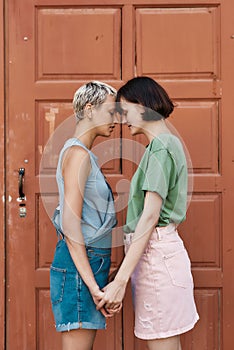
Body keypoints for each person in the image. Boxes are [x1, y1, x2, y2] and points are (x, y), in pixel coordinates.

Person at [97, 77, 199, 350]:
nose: (121, 119)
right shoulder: (166, 144)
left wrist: (119, 282)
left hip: (157, 256)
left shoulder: (161, 148)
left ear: (142, 105)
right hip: (160, 254)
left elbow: (150, 217)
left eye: (124, 110)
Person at [50, 81, 120, 350]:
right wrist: (91, 284)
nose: (116, 119)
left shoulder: (84, 154)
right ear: (89, 109)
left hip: (90, 264)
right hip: (81, 267)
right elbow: (70, 223)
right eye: (111, 111)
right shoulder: (78, 154)